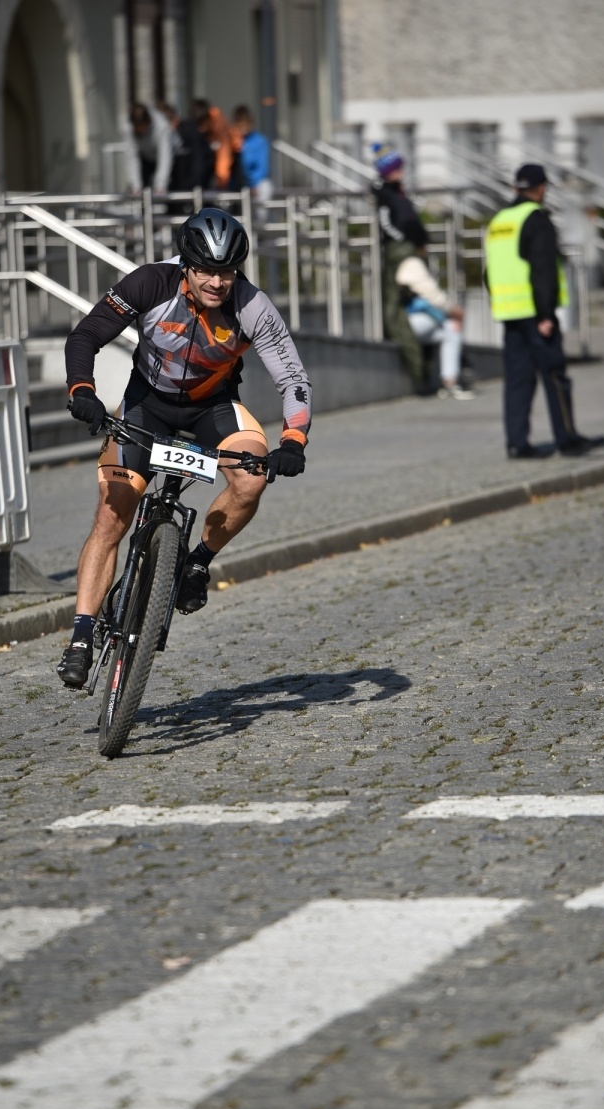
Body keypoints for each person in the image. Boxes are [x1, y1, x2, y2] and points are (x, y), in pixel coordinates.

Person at [57, 208, 311, 689]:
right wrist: (82, 390)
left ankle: (197, 561)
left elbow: (293, 379)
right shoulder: (149, 283)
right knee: (113, 516)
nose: (217, 282)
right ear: (186, 266)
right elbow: (86, 335)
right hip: (145, 407)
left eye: (227, 272)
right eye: (207, 271)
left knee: (252, 478)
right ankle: (81, 635)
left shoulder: (252, 307)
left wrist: (293, 441)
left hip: (211, 410)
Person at [485, 163, 604, 459]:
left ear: (516, 188)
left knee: (517, 381)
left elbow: (489, 273)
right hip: (535, 315)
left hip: (508, 315)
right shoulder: (536, 220)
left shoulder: (499, 221)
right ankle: (567, 439)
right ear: (541, 189)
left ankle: (517, 444)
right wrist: (545, 315)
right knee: (554, 376)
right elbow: (543, 272)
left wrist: (502, 303)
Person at [370, 144, 429, 390]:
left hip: (407, 253)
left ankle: (425, 371)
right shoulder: (387, 194)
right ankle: (420, 375)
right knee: (395, 312)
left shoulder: (398, 193)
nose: (399, 172)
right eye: (394, 168)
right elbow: (387, 226)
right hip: (400, 254)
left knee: (415, 306)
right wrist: (403, 242)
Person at [396, 244, 475, 400]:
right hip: (408, 320)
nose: (426, 250)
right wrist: (454, 312)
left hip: (410, 321)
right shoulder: (411, 262)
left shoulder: (402, 260)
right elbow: (433, 296)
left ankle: (450, 381)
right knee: (450, 326)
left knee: (450, 331)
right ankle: (451, 381)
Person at [191, 99, 242, 191]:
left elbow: (224, 155)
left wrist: (222, 179)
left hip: (226, 173)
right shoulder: (202, 132)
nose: (201, 129)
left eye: (203, 123)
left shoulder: (220, 128)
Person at [125, 102, 174, 195]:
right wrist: (136, 186)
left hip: (170, 159)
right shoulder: (130, 128)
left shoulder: (161, 126)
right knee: (141, 195)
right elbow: (131, 158)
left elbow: (165, 157)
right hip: (145, 160)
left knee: (168, 193)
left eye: (141, 130)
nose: (140, 134)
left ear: (148, 123)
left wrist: (160, 186)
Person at [231, 105, 273, 205]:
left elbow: (262, 167)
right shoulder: (232, 140)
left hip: (254, 183)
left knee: (265, 188)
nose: (243, 128)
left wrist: (252, 185)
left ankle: (261, 220)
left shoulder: (260, 141)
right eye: (240, 125)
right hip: (235, 184)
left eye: (246, 124)